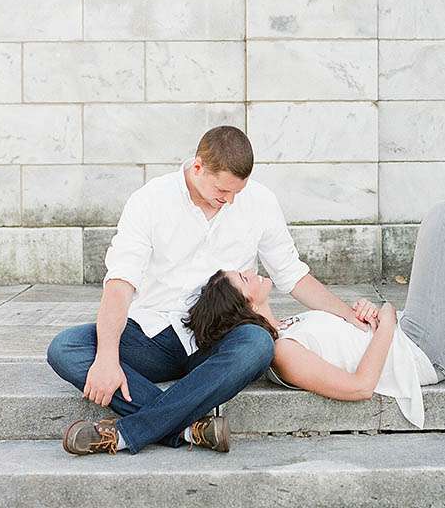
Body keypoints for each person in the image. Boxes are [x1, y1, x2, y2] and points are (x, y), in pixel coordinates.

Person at [46, 125, 371, 455]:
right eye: (222, 190)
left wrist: (348, 314)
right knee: (67, 348)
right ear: (198, 166)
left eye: (236, 193)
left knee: (258, 344)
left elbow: (292, 274)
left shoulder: (260, 202)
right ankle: (188, 430)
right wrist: (106, 357)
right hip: (151, 336)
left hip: (216, 340)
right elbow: (120, 284)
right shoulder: (150, 200)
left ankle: (130, 432)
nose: (229, 200)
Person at [186, 180, 445, 430]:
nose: (248, 271)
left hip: (410, 335)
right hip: (424, 352)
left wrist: (362, 314)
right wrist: (388, 320)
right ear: (244, 304)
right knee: (443, 215)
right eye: (242, 278)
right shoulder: (281, 352)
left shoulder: (286, 328)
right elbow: (360, 387)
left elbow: (347, 343)